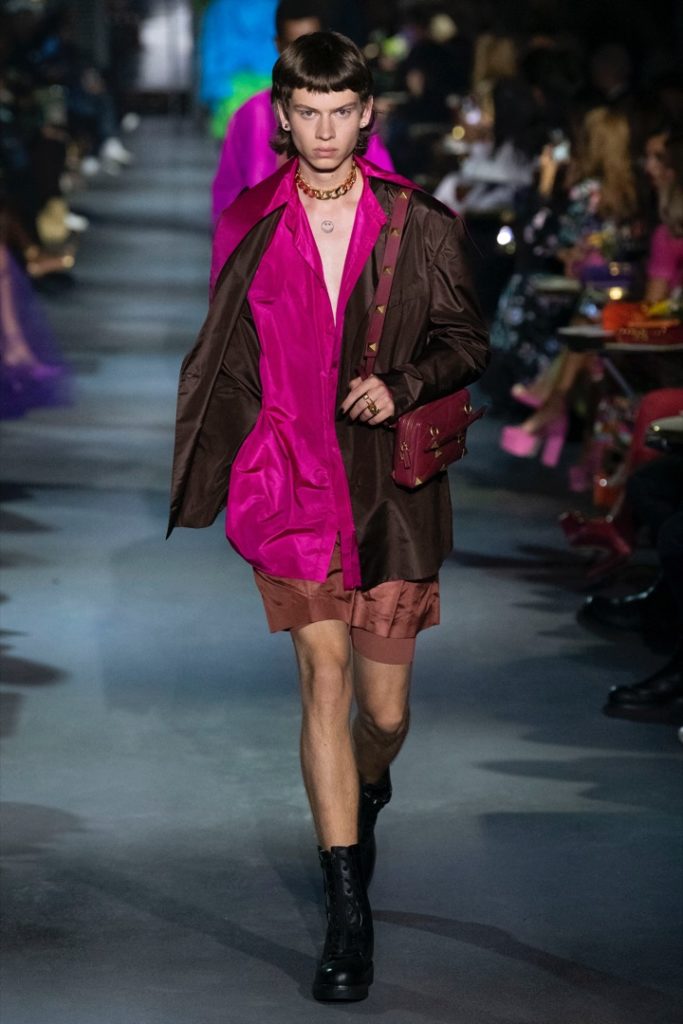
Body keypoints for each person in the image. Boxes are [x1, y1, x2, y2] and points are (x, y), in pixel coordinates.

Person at [169, 31, 489, 1002]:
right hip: (288, 487)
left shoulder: (415, 222)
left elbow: (466, 340)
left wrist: (402, 384)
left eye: (339, 112)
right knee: (322, 678)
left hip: (388, 496)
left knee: (382, 715)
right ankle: (346, 909)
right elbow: (228, 352)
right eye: (305, 113)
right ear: (282, 115)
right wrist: (224, 463)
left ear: (365, 115)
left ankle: (366, 785)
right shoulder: (249, 221)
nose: (321, 131)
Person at [210, 0, 394, 224]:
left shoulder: (351, 111)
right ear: (278, 45)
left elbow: (385, 194)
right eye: (293, 48)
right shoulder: (251, 115)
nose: (303, 60)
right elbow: (227, 199)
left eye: (311, 48)